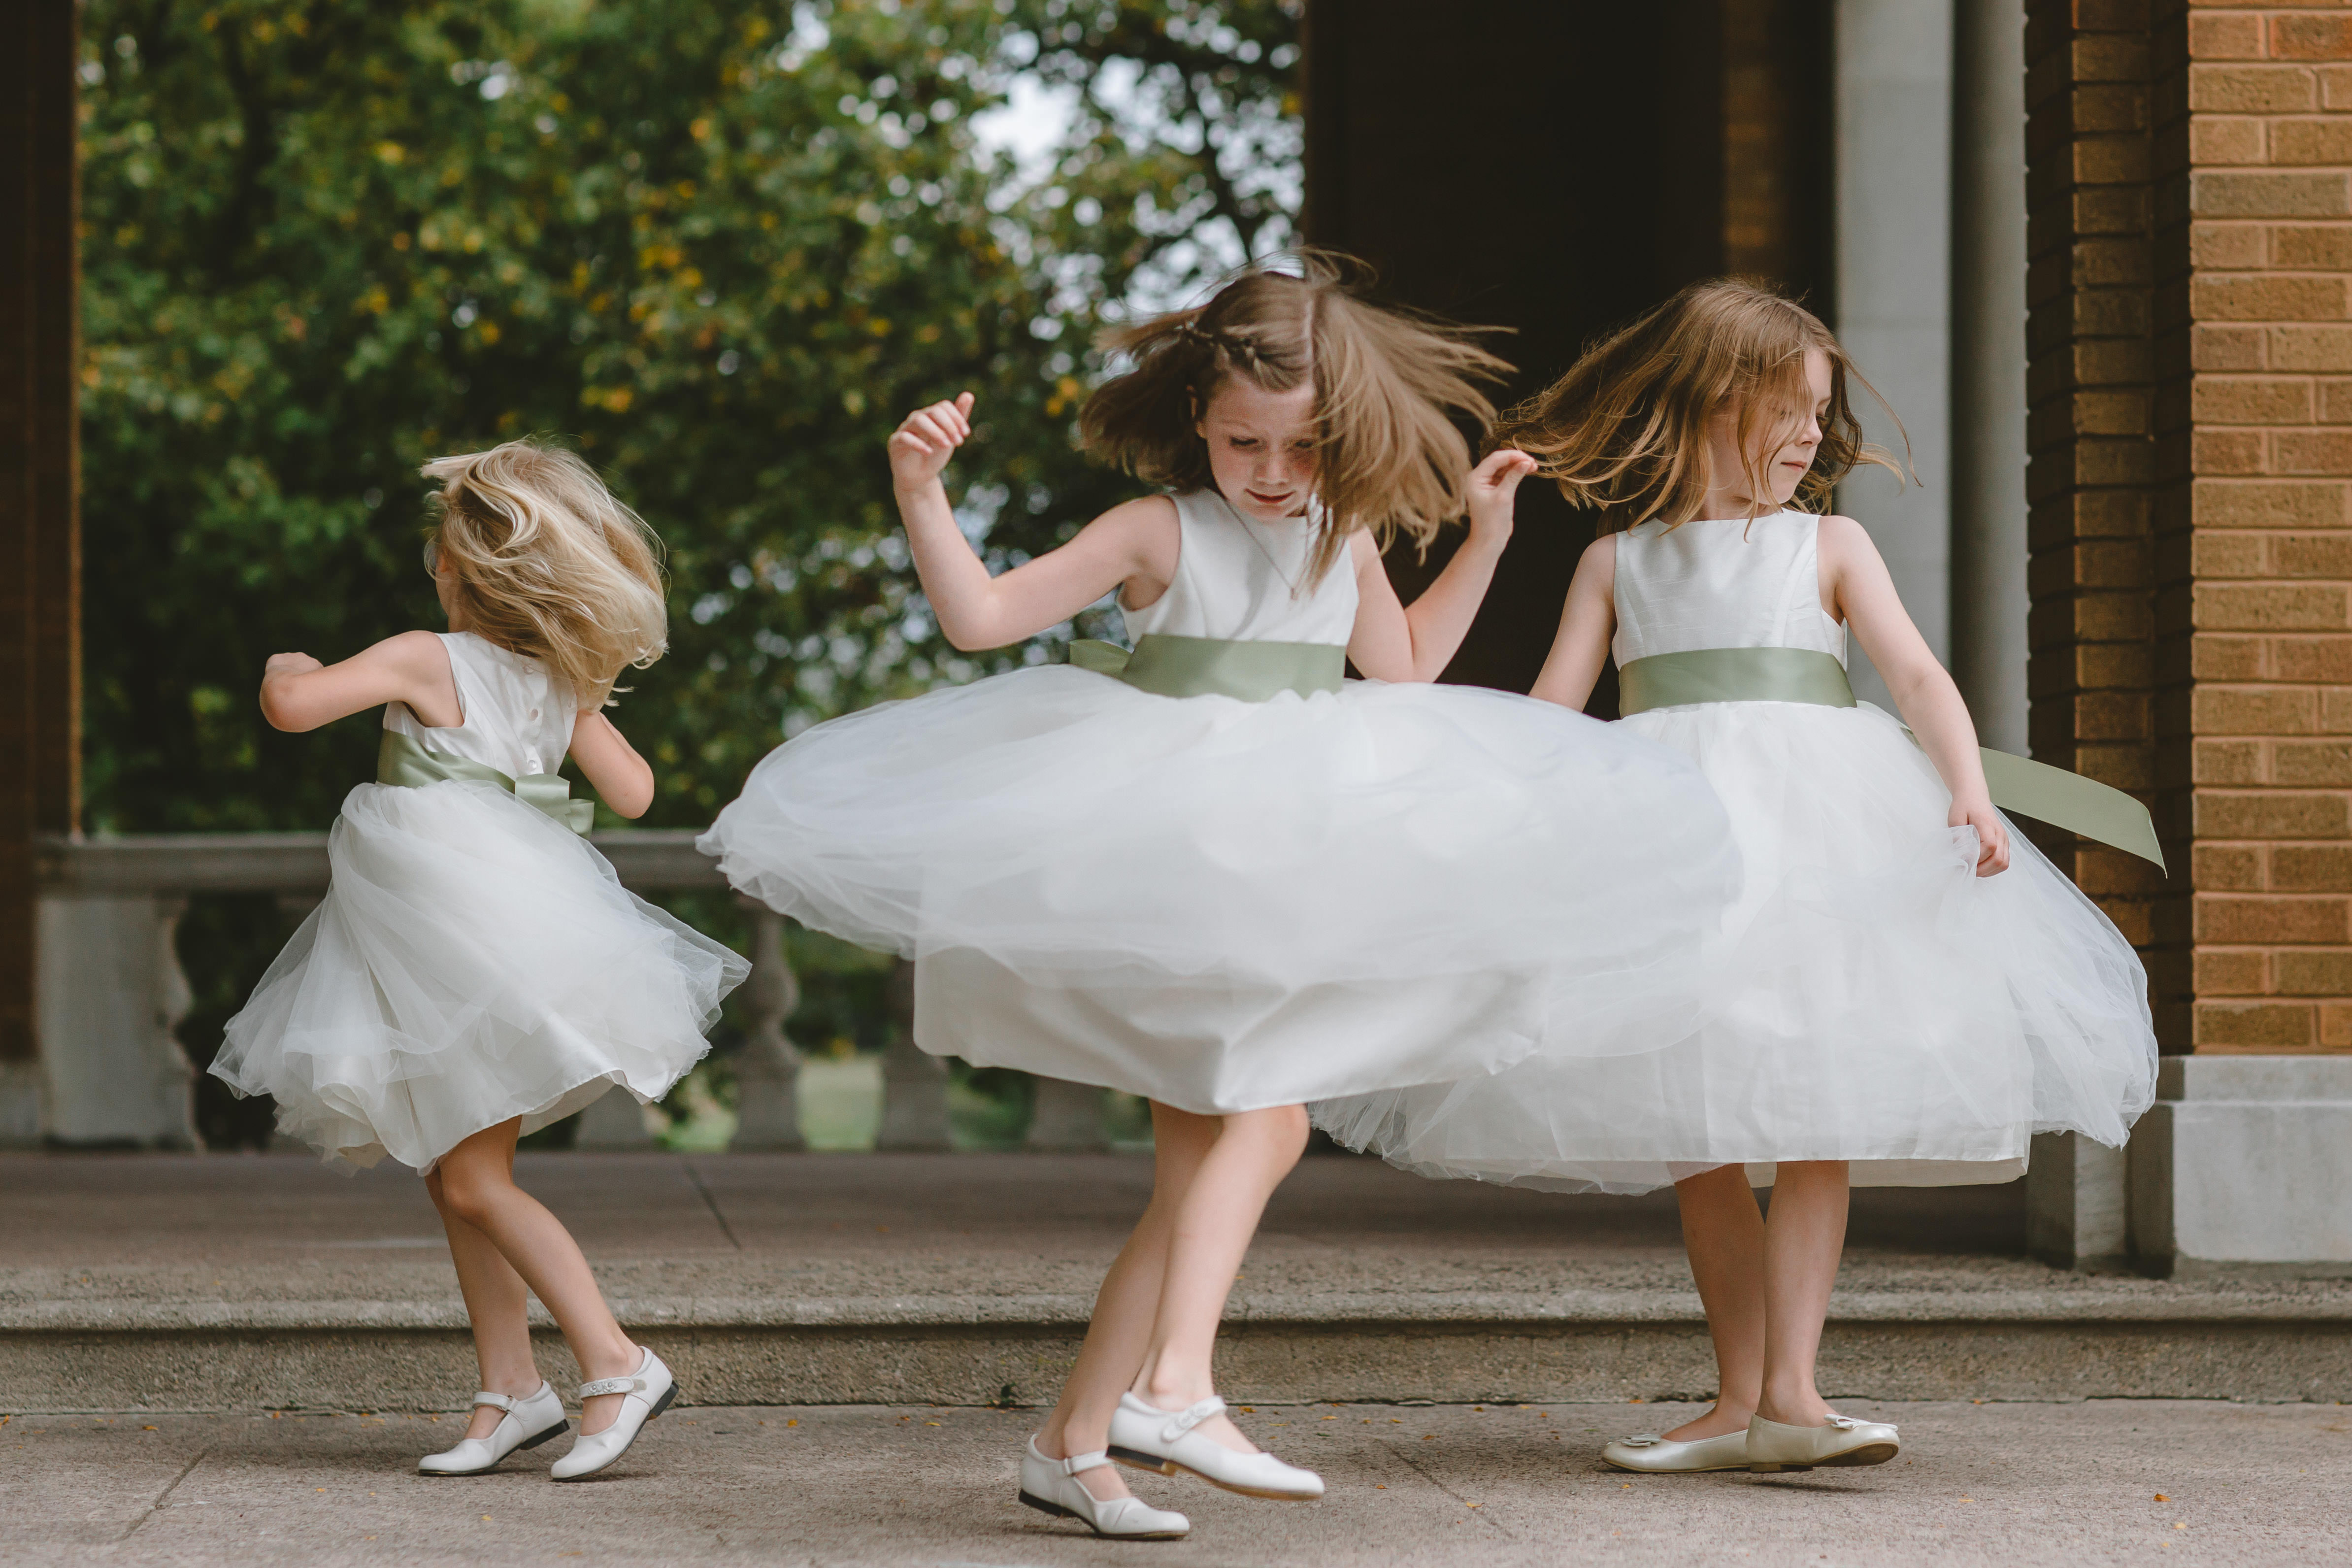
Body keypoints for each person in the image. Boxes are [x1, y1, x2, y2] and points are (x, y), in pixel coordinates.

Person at [698, 255, 1738, 1537]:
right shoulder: (1159, 529)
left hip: (1290, 860)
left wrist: (1486, 538)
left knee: (1206, 1171)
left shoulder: (1339, 534)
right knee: (1270, 1121)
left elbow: (1404, 672)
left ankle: (1077, 1440)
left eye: (1303, 448)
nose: (1272, 471)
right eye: (1245, 440)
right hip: (1172, 856)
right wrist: (922, 491)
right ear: (1199, 417)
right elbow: (980, 620)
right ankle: (1177, 1389)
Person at [1317, 279, 2158, 1476]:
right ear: (1715, 401)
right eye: (1791, 408)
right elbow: (1557, 714)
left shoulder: (1831, 543)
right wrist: (1503, 824)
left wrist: (1968, 785)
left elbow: (1916, 676)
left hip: (1827, 836)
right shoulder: (1619, 560)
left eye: (1822, 411)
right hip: (1673, 846)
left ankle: (1795, 1392)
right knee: (1695, 1124)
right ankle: (1737, 1398)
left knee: (1819, 1115)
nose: (1814, 433)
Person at [210, 440, 747, 1480]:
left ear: (450, 569)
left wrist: (288, 666)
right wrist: (571, 708)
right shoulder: (557, 678)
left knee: (476, 1180)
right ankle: (512, 1388)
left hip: (459, 946)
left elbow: (293, 707)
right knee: (455, 1171)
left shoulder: (428, 656)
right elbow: (632, 793)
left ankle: (617, 1359)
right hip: (496, 937)